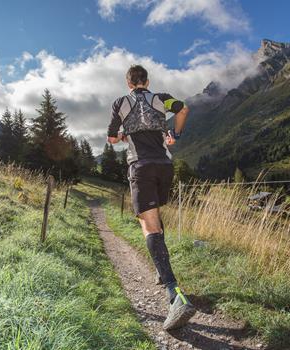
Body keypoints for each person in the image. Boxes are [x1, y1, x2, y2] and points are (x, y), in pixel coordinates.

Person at [107, 64, 194, 331]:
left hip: (141, 166)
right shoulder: (161, 98)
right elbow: (183, 109)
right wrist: (174, 135)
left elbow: (111, 138)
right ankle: (160, 270)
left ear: (129, 83)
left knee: (149, 224)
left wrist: (122, 136)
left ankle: (174, 294)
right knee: (155, 218)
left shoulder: (121, 102)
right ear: (147, 81)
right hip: (165, 167)